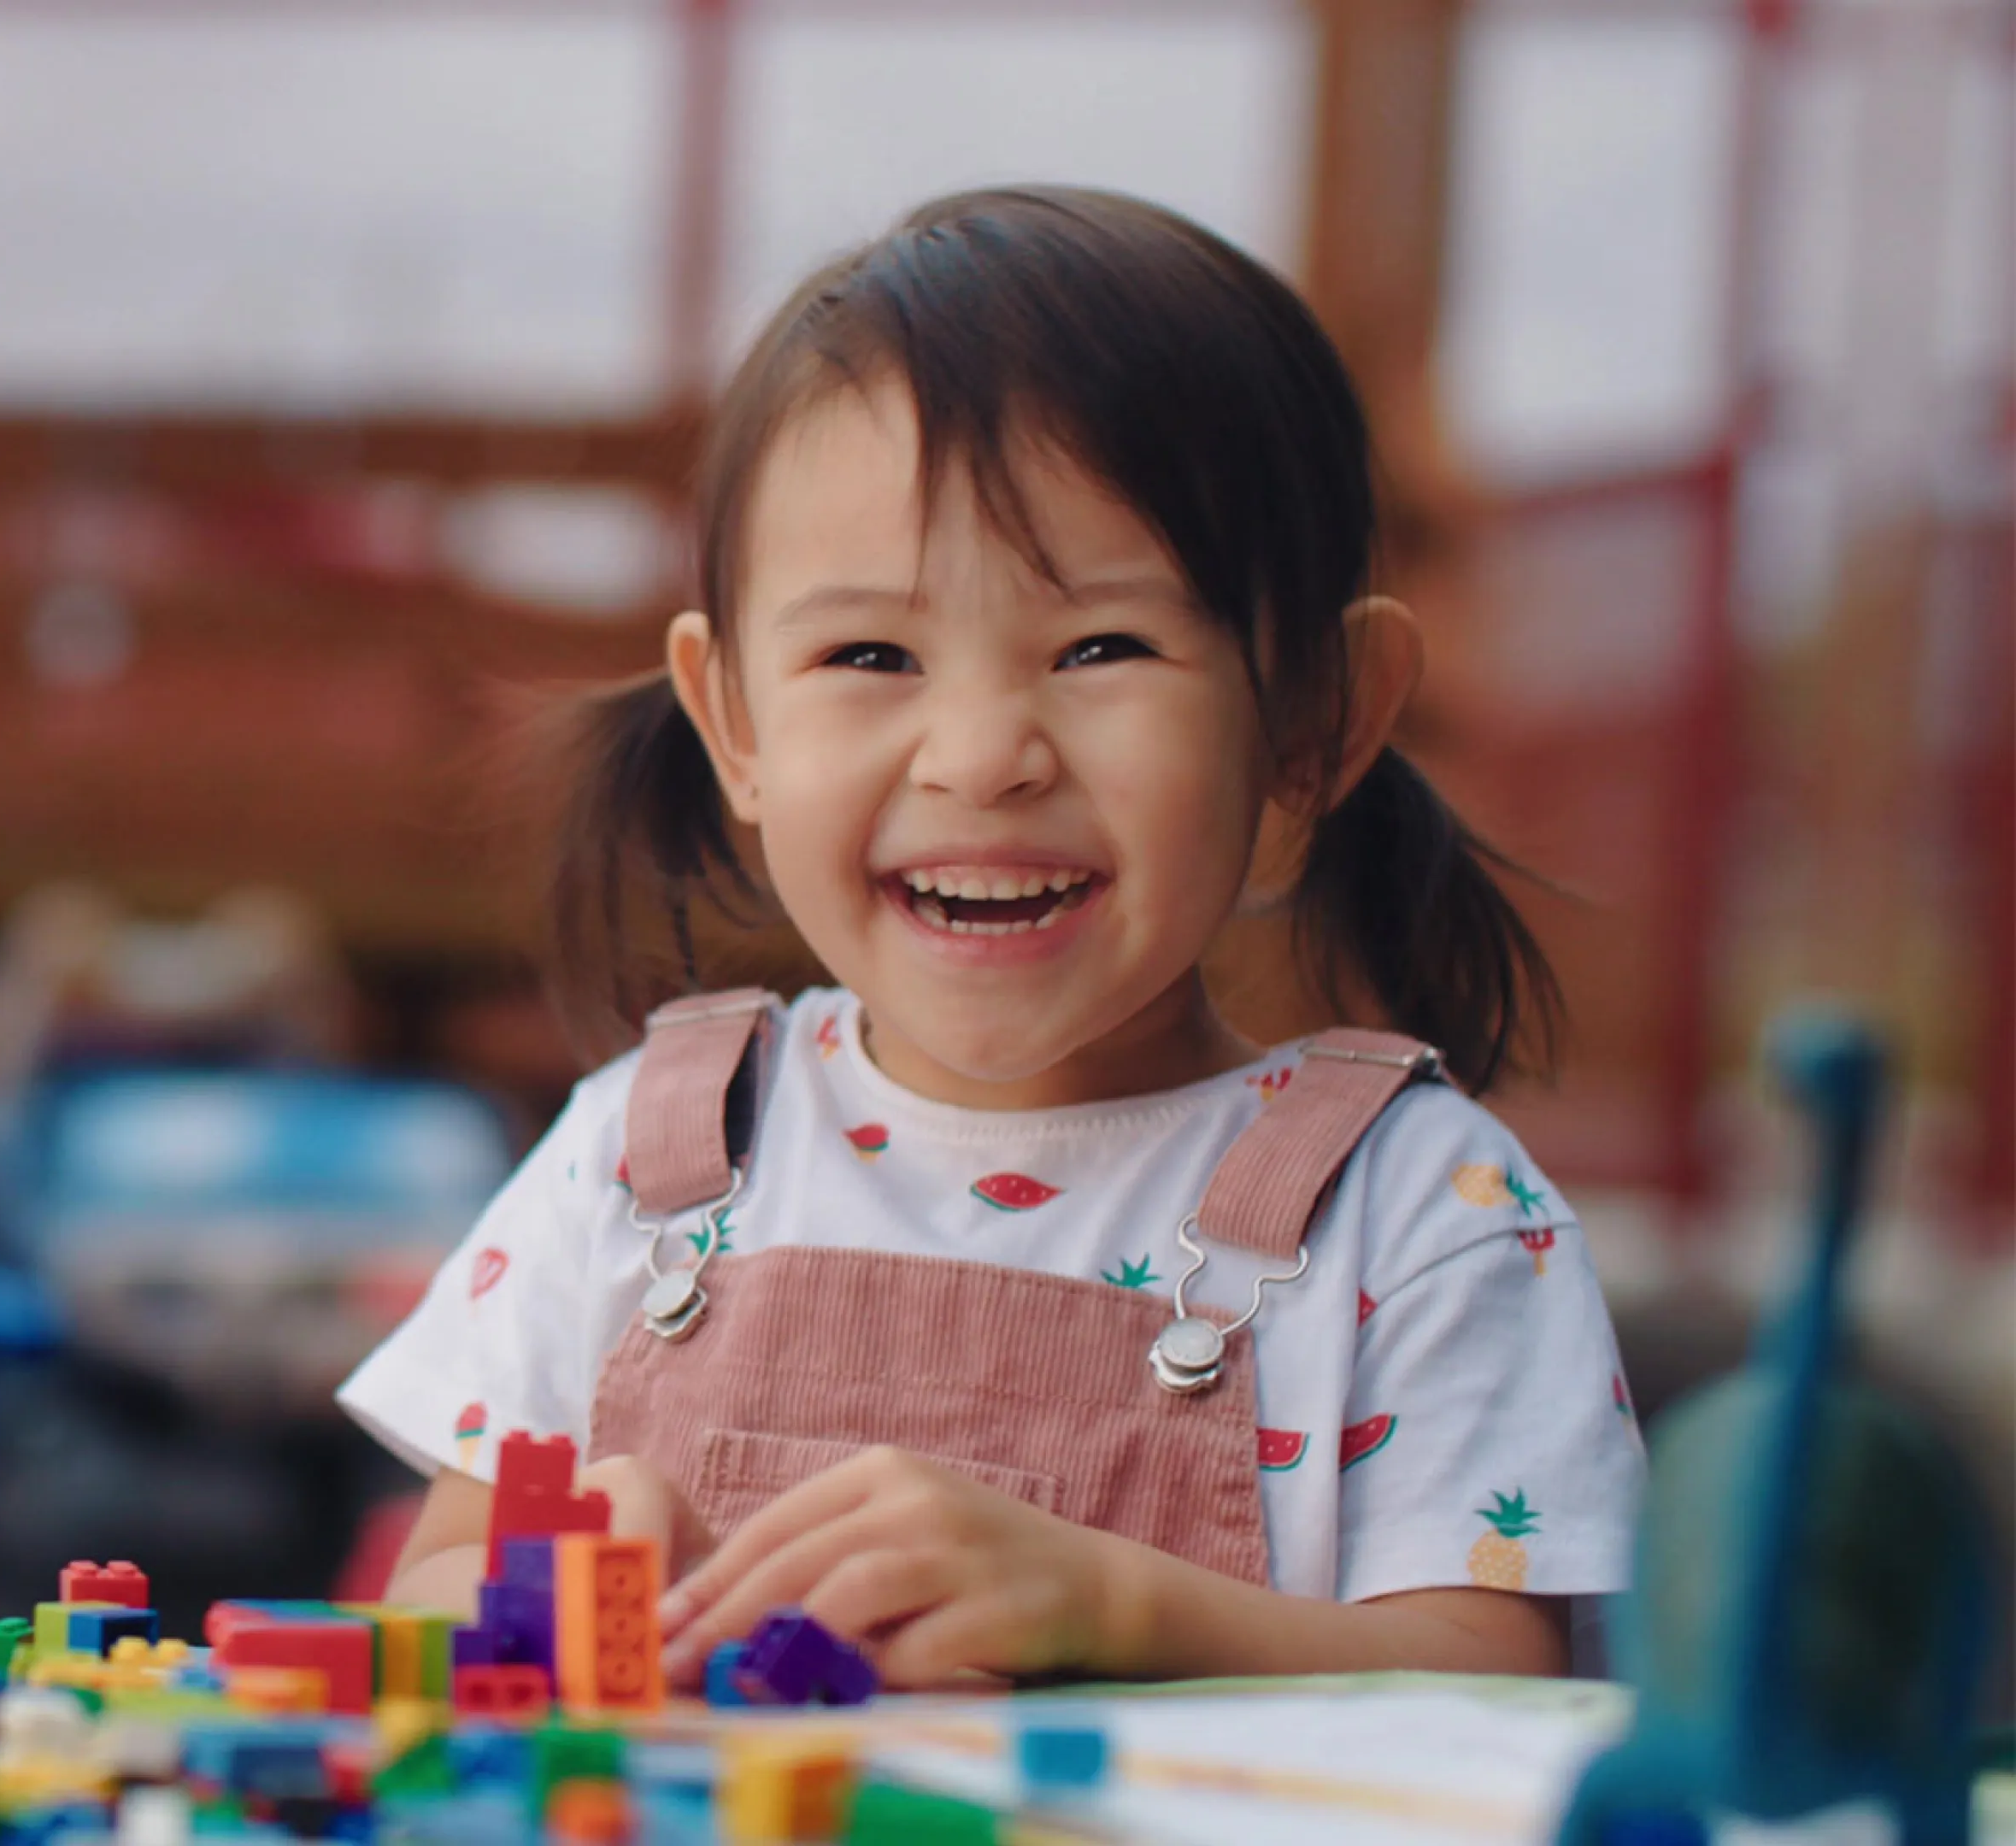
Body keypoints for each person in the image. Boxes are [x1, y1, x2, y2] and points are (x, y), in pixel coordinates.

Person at [337, 186, 1643, 1689]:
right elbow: (418, 1609)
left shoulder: (1419, 1219)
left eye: (1102, 648)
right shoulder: (646, 1160)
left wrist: (1129, 1613)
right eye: (869, 654)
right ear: (735, 723)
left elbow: (1492, 1702)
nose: (980, 755)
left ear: (1313, 723)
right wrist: (542, 1588)